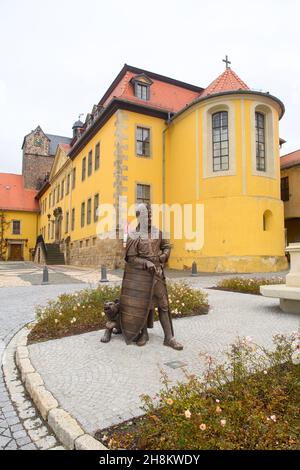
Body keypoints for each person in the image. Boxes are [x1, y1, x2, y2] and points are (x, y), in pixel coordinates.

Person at [120, 203, 183, 350]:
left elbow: (167, 246)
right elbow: (131, 258)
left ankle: (169, 337)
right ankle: (143, 333)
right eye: (145, 215)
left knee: (164, 305)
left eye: (150, 215)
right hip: (142, 277)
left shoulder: (158, 232)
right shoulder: (133, 236)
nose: (148, 217)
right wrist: (145, 263)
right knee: (143, 306)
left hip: (157, 275)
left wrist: (162, 257)